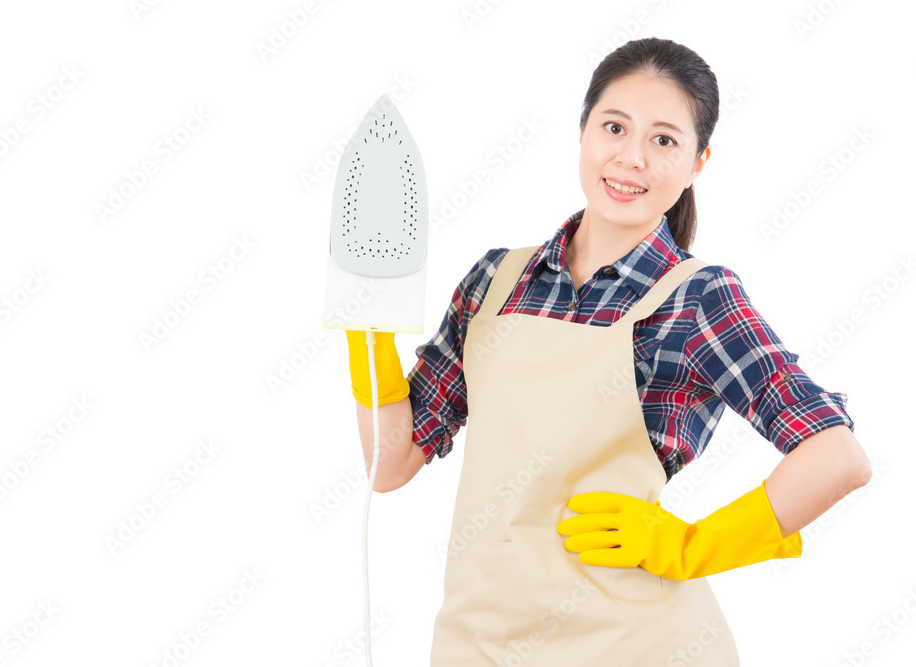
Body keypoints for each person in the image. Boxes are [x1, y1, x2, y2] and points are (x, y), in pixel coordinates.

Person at [347, 37, 871, 664]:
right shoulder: (495, 281)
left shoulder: (695, 298)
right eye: (615, 127)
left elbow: (838, 455)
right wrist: (367, 336)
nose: (631, 159)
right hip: (479, 641)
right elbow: (390, 464)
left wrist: (693, 545)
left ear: (699, 161)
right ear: (583, 131)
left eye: (665, 141)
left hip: (632, 645)